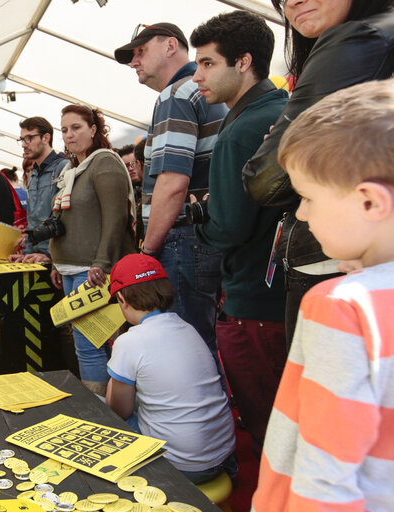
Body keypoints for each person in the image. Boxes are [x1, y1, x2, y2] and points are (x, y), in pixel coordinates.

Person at [253, 79, 394, 512]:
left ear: (369, 203)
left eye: (308, 197)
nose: (301, 213)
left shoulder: (340, 307)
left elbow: (324, 479)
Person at [243, 0, 394, 343]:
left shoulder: (358, 39)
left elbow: (265, 177)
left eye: (309, 196)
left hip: (329, 267)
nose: (292, 3)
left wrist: (281, 145)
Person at [190, 10, 289, 454]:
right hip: (290, 294)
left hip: (254, 299)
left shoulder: (238, 131)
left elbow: (228, 230)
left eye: (208, 64)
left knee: (271, 431)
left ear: (244, 62)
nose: (197, 76)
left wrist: (203, 218)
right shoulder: (286, 110)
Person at [114, 23, 227, 358]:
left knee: (186, 347)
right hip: (204, 233)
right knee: (203, 340)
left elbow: (172, 182)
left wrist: (148, 250)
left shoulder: (176, 94)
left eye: (140, 51)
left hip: (181, 238)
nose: (134, 61)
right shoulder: (205, 91)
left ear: (170, 46)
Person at [106, 253, 236, 484]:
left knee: (98, 408)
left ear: (122, 300)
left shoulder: (130, 341)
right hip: (222, 452)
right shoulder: (187, 327)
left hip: (182, 464)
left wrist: (115, 369)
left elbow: (118, 410)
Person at [49, 104, 136, 396]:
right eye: (64, 130)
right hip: (70, 269)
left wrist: (102, 262)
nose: (69, 135)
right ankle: (103, 406)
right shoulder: (71, 170)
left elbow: (116, 218)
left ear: (94, 130)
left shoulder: (104, 162)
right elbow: (66, 222)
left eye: (76, 128)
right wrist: (55, 263)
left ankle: (103, 410)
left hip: (94, 270)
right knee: (86, 345)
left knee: (94, 346)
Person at [9, 116, 68, 264]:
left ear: (46, 138)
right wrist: (26, 253)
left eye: (29, 138)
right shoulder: (33, 174)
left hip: (57, 259)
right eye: (22, 139)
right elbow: (33, 220)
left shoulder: (63, 167)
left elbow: (65, 218)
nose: (23, 144)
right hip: (37, 257)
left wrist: (50, 255)